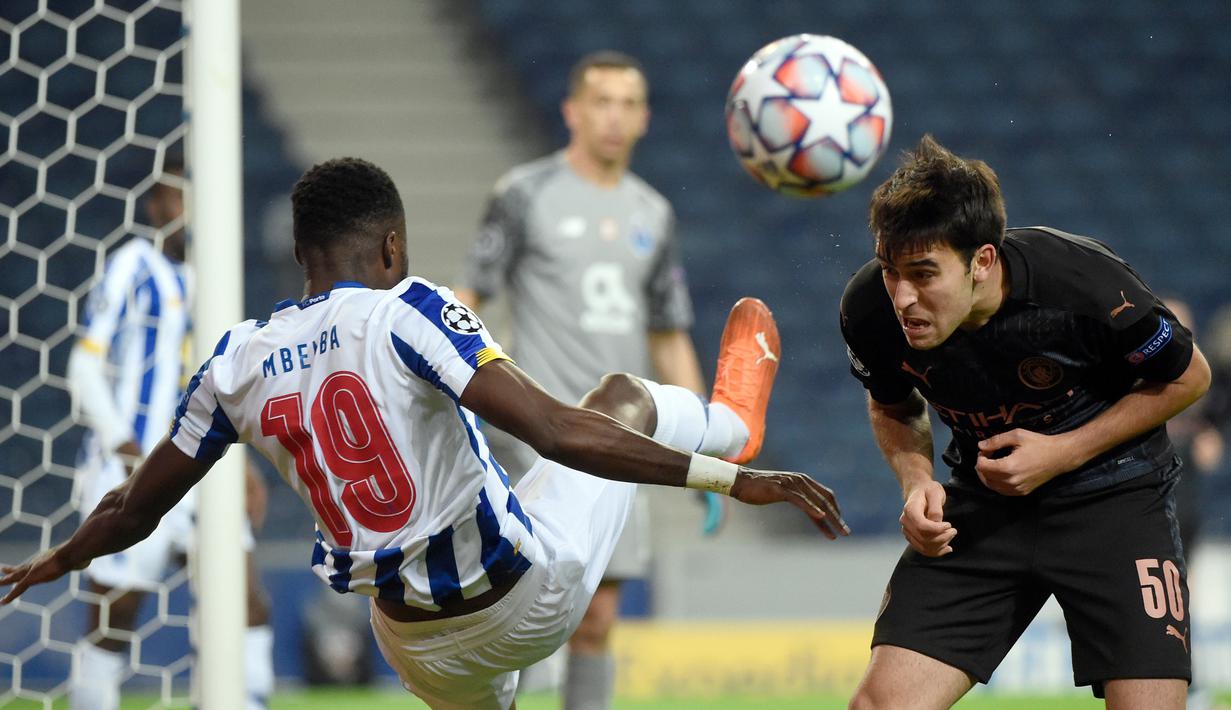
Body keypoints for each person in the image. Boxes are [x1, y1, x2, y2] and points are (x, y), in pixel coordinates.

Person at [3, 157, 848, 710]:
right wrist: (732, 478)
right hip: (521, 600)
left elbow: (133, 509)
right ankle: (733, 425)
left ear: (300, 254)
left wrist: (57, 560)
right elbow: (555, 431)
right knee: (620, 395)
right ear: (392, 245)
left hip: (413, 647)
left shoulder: (234, 362)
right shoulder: (408, 309)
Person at [839, 136, 1210, 710]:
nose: (903, 297)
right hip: (985, 510)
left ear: (982, 261)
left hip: (1116, 501)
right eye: (890, 271)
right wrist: (916, 481)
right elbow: (893, 404)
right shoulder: (869, 310)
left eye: (924, 273)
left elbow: (1190, 377)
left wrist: (1063, 452)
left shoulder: (1085, 285)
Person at [455, 50, 732, 707]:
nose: (614, 116)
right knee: (512, 611)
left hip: (618, 441)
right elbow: (469, 298)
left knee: (597, 619)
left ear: (644, 119)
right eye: (601, 101)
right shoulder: (523, 193)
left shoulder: (652, 213)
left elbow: (667, 333)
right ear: (572, 112)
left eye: (628, 104)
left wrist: (704, 441)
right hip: (534, 434)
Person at [63, 155, 274, 710]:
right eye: (179, 198)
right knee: (115, 616)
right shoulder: (132, 265)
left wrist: (245, 466)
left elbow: (221, 387)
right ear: (157, 207)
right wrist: (124, 445)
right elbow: (83, 366)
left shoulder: (212, 282)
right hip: (130, 466)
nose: (190, 212)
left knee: (245, 601)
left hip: (200, 470)